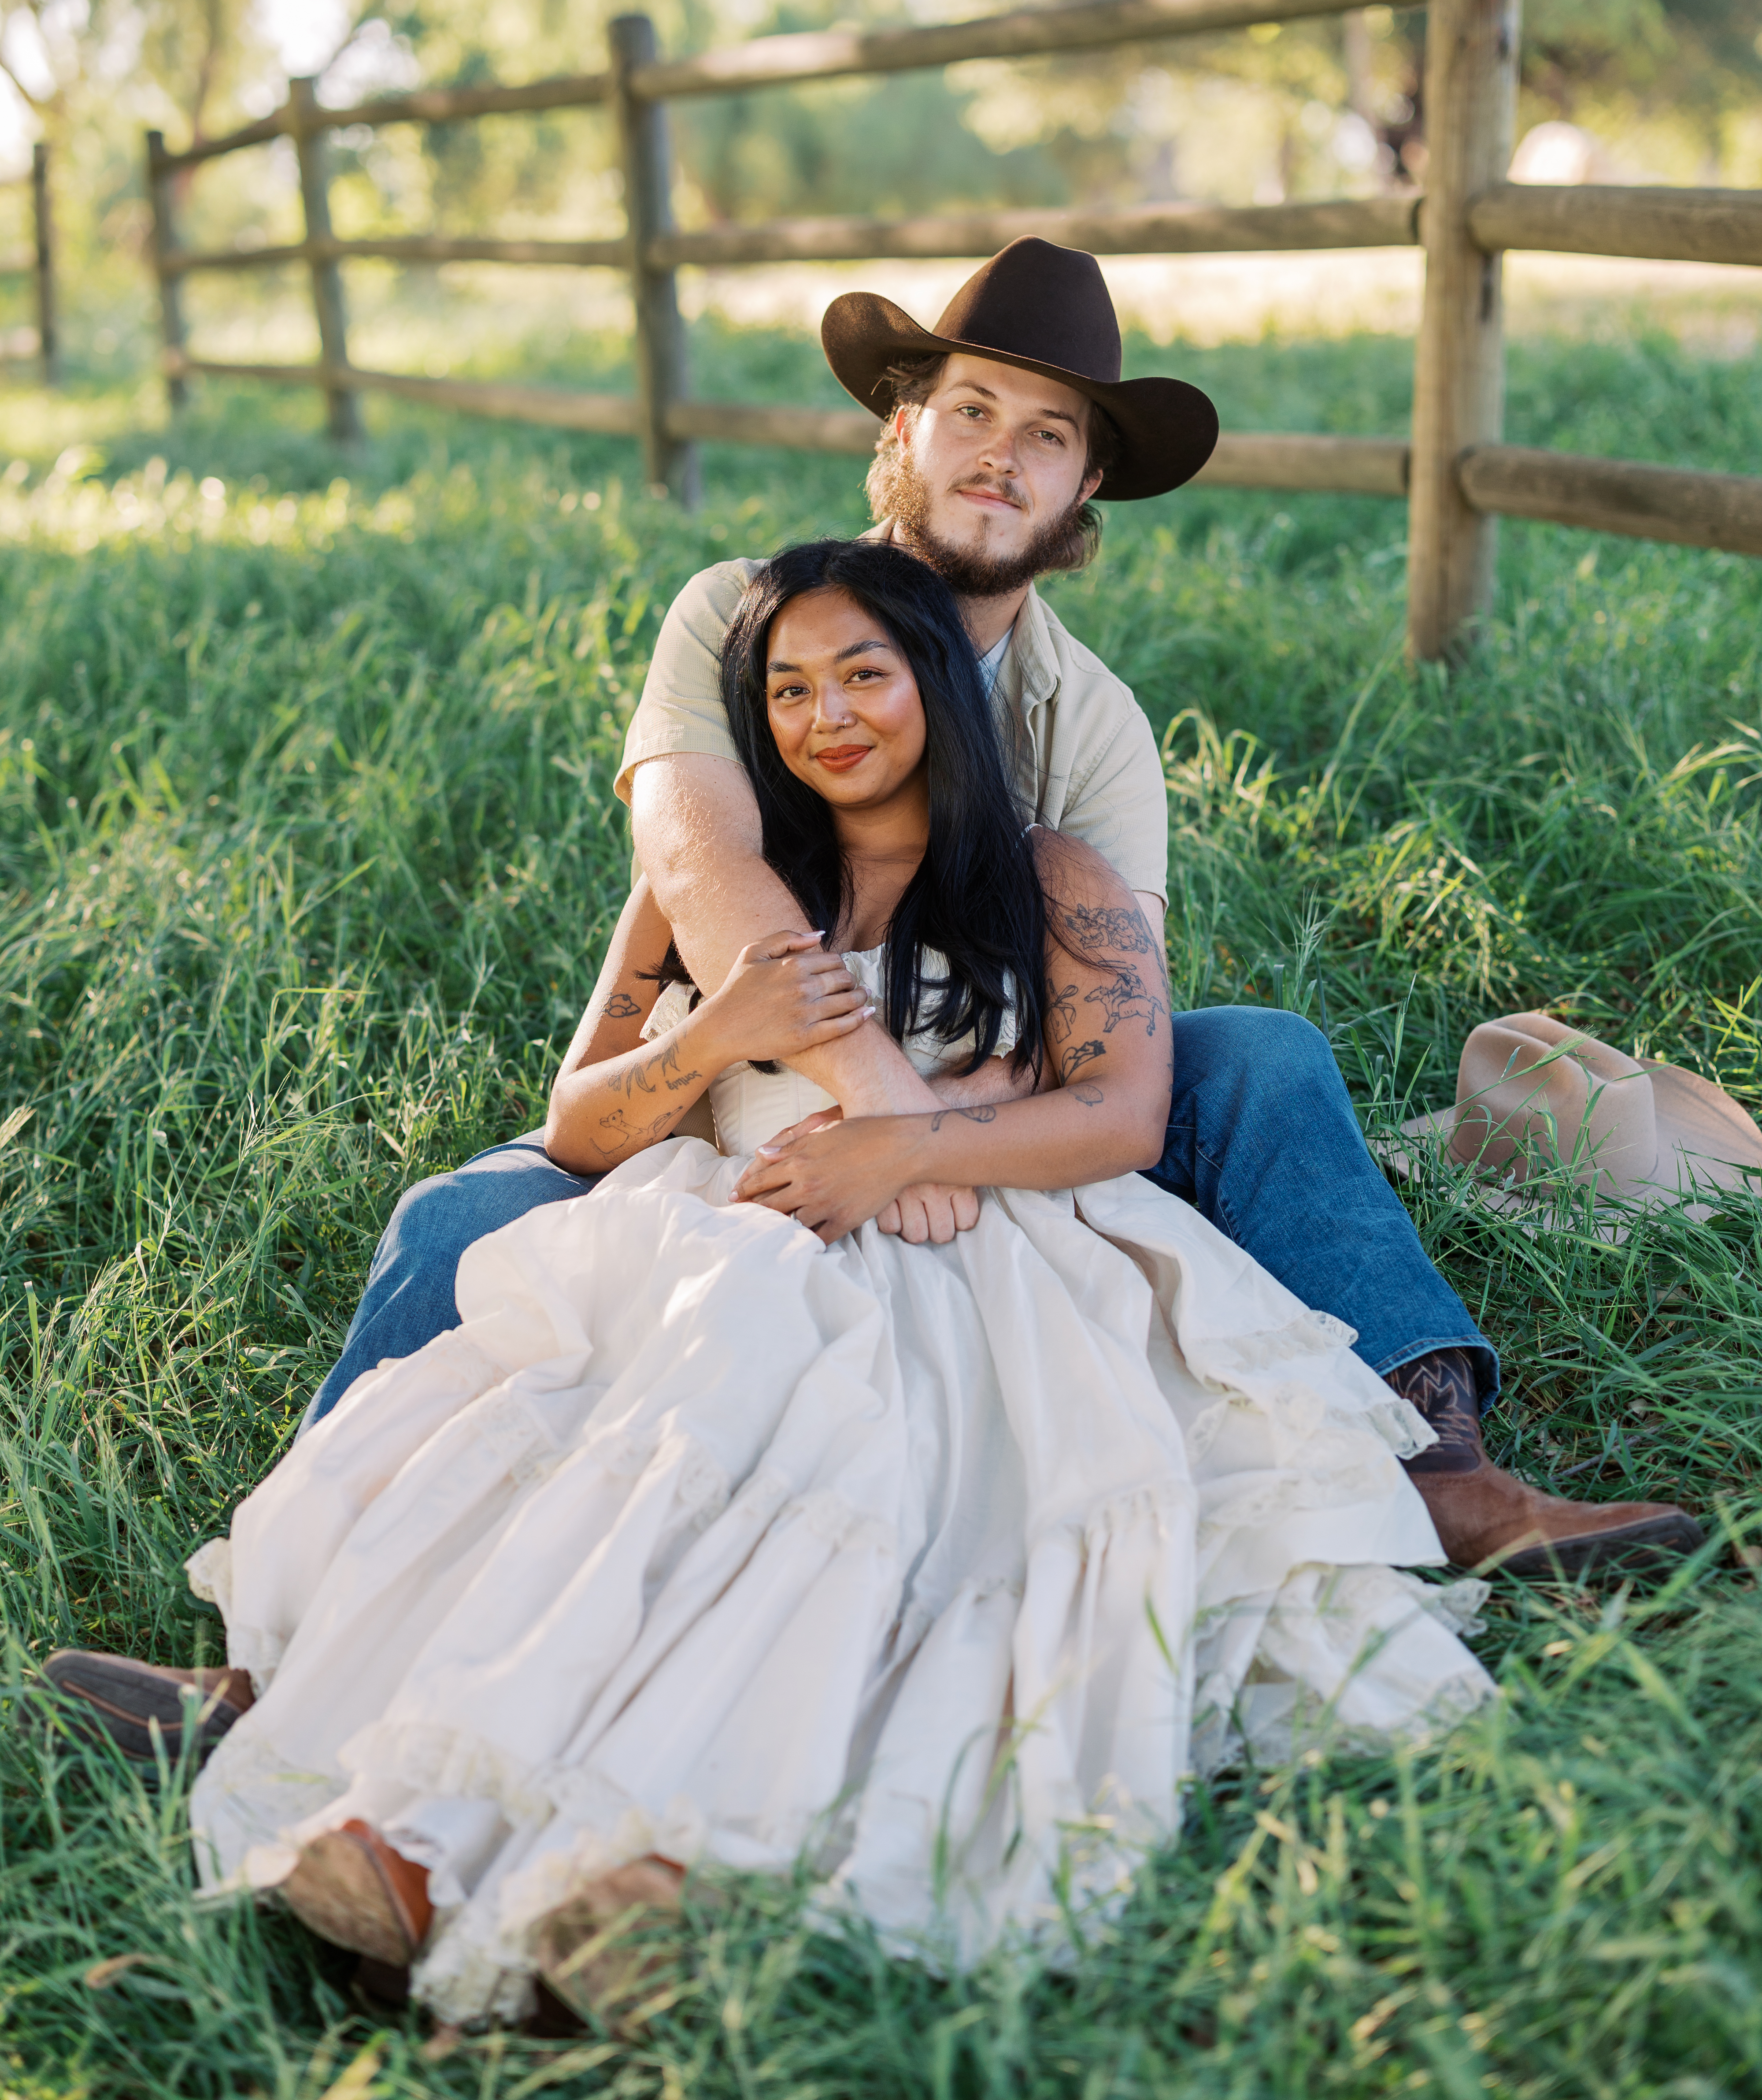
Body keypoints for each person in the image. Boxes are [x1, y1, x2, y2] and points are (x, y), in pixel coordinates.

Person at [40, 239, 1700, 1772]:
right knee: (459, 1215)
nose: (999, 453)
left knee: (1260, 1059)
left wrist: (933, 1134)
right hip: (734, 1074)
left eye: (1047, 433)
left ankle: (1445, 1476)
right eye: (966, 409)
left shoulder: (1090, 725)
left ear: (1085, 489)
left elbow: (1103, 1015)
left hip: (996, 1064)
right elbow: (701, 869)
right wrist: (857, 1109)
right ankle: (277, 1652)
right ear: (896, 440)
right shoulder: (741, 615)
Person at [176, 542, 1495, 2024]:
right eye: (789, 690)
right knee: (612, 1489)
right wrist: (709, 1033)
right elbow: (578, 1126)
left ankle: (666, 1866)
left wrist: (903, 1146)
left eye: (865, 674)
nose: (828, 717)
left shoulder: (1048, 876)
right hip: (719, 1237)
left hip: (968, 1260)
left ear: (938, 681)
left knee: (854, 1523)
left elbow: (1126, 1114)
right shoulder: (721, 894)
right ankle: (421, 1839)